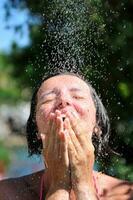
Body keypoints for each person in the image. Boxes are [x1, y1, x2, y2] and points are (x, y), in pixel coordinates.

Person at [0, 72, 132, 200]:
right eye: (48, 99)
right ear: (36, 129)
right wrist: (58, 188)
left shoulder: (126, 194)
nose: (63, 100)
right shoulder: (6, 193)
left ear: (97, 123)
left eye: (77, 96)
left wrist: (84, 186)